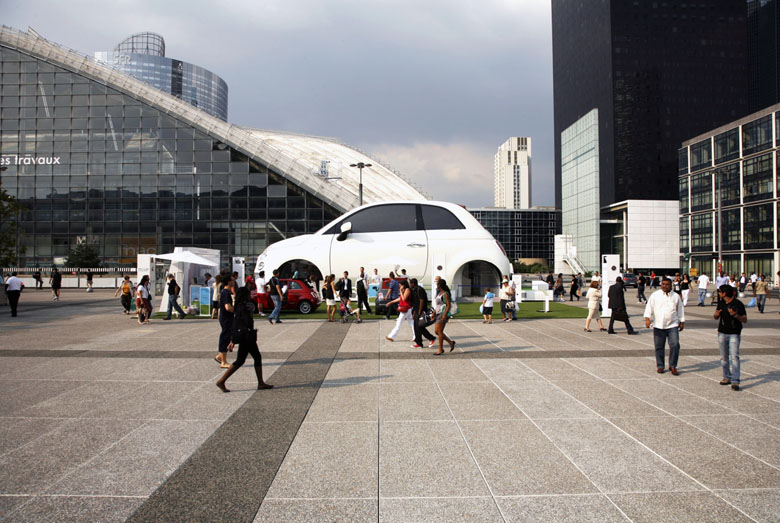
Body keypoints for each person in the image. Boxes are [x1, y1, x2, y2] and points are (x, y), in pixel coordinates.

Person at [215, 287, 274, 393]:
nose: (250, 296)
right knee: (253, 357)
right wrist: (234, 339)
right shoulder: (243, 307)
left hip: (245, 336)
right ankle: (259, 383)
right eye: (248, 294)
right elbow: (241, 322)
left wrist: (233, 339)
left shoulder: (239, 306)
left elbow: (236, 324)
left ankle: (222, 381)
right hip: (247, 336)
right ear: (244, 295)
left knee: (242, 360)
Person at [644, 277, 685, 374]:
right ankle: (660, 365)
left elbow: (680, 309)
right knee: (659, 346)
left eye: (667, 284)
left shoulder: (676, 296)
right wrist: (647, 319)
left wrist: (682, 321)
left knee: (675, 345)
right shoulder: (655, 295)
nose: (665, 286)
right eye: (663, 284)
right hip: (658, 325)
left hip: (673, 325)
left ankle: (673, 365)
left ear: (671, 286)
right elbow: (649, 307)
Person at [714, 284, 747, 390]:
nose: (719, 293)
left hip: (734, 333)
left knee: (734, 357)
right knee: (724, 357)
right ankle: (726, 377)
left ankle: (735, 380)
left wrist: (735, 315)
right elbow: (715, 317)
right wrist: (716, 314)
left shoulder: (738, 304)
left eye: (720, 292)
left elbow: (745, 319)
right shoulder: (721, 303)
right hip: (722, 332)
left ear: (724, 293)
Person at [431, 278, 456, 355]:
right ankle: (450, 342)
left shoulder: (445, 294)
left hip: (443, 314)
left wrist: (444, 315)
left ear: (440, 285)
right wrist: (434, 313)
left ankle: (440, 349)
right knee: (436, 331)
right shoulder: (439, 293)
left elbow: (448, 305)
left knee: (439, 331)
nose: (436, 285)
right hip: (438, 313)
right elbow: (438, 305)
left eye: (437, 284)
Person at [410, 278, 436, 348]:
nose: (410, 285)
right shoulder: (414, 290)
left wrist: (419, 312)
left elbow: (422, 300)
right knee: (417, 327)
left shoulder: (420, 290)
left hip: (421, 311)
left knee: (419, 327)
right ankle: (422, 341)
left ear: (413, 283)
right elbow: (415, 303)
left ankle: (426, 340)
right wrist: (414, 313)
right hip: (416, 311)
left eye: (410, 283)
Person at [215, 279, 235, 369]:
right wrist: (236, 311)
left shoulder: (224, 291)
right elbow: (227, 307)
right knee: (225, 337)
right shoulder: (226, 292)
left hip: (225, 317)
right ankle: (223, 361)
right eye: (232, 280)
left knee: (227, 336)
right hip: (226, 318)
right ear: (228, 282)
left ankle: (220, 356)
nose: (234, 281)